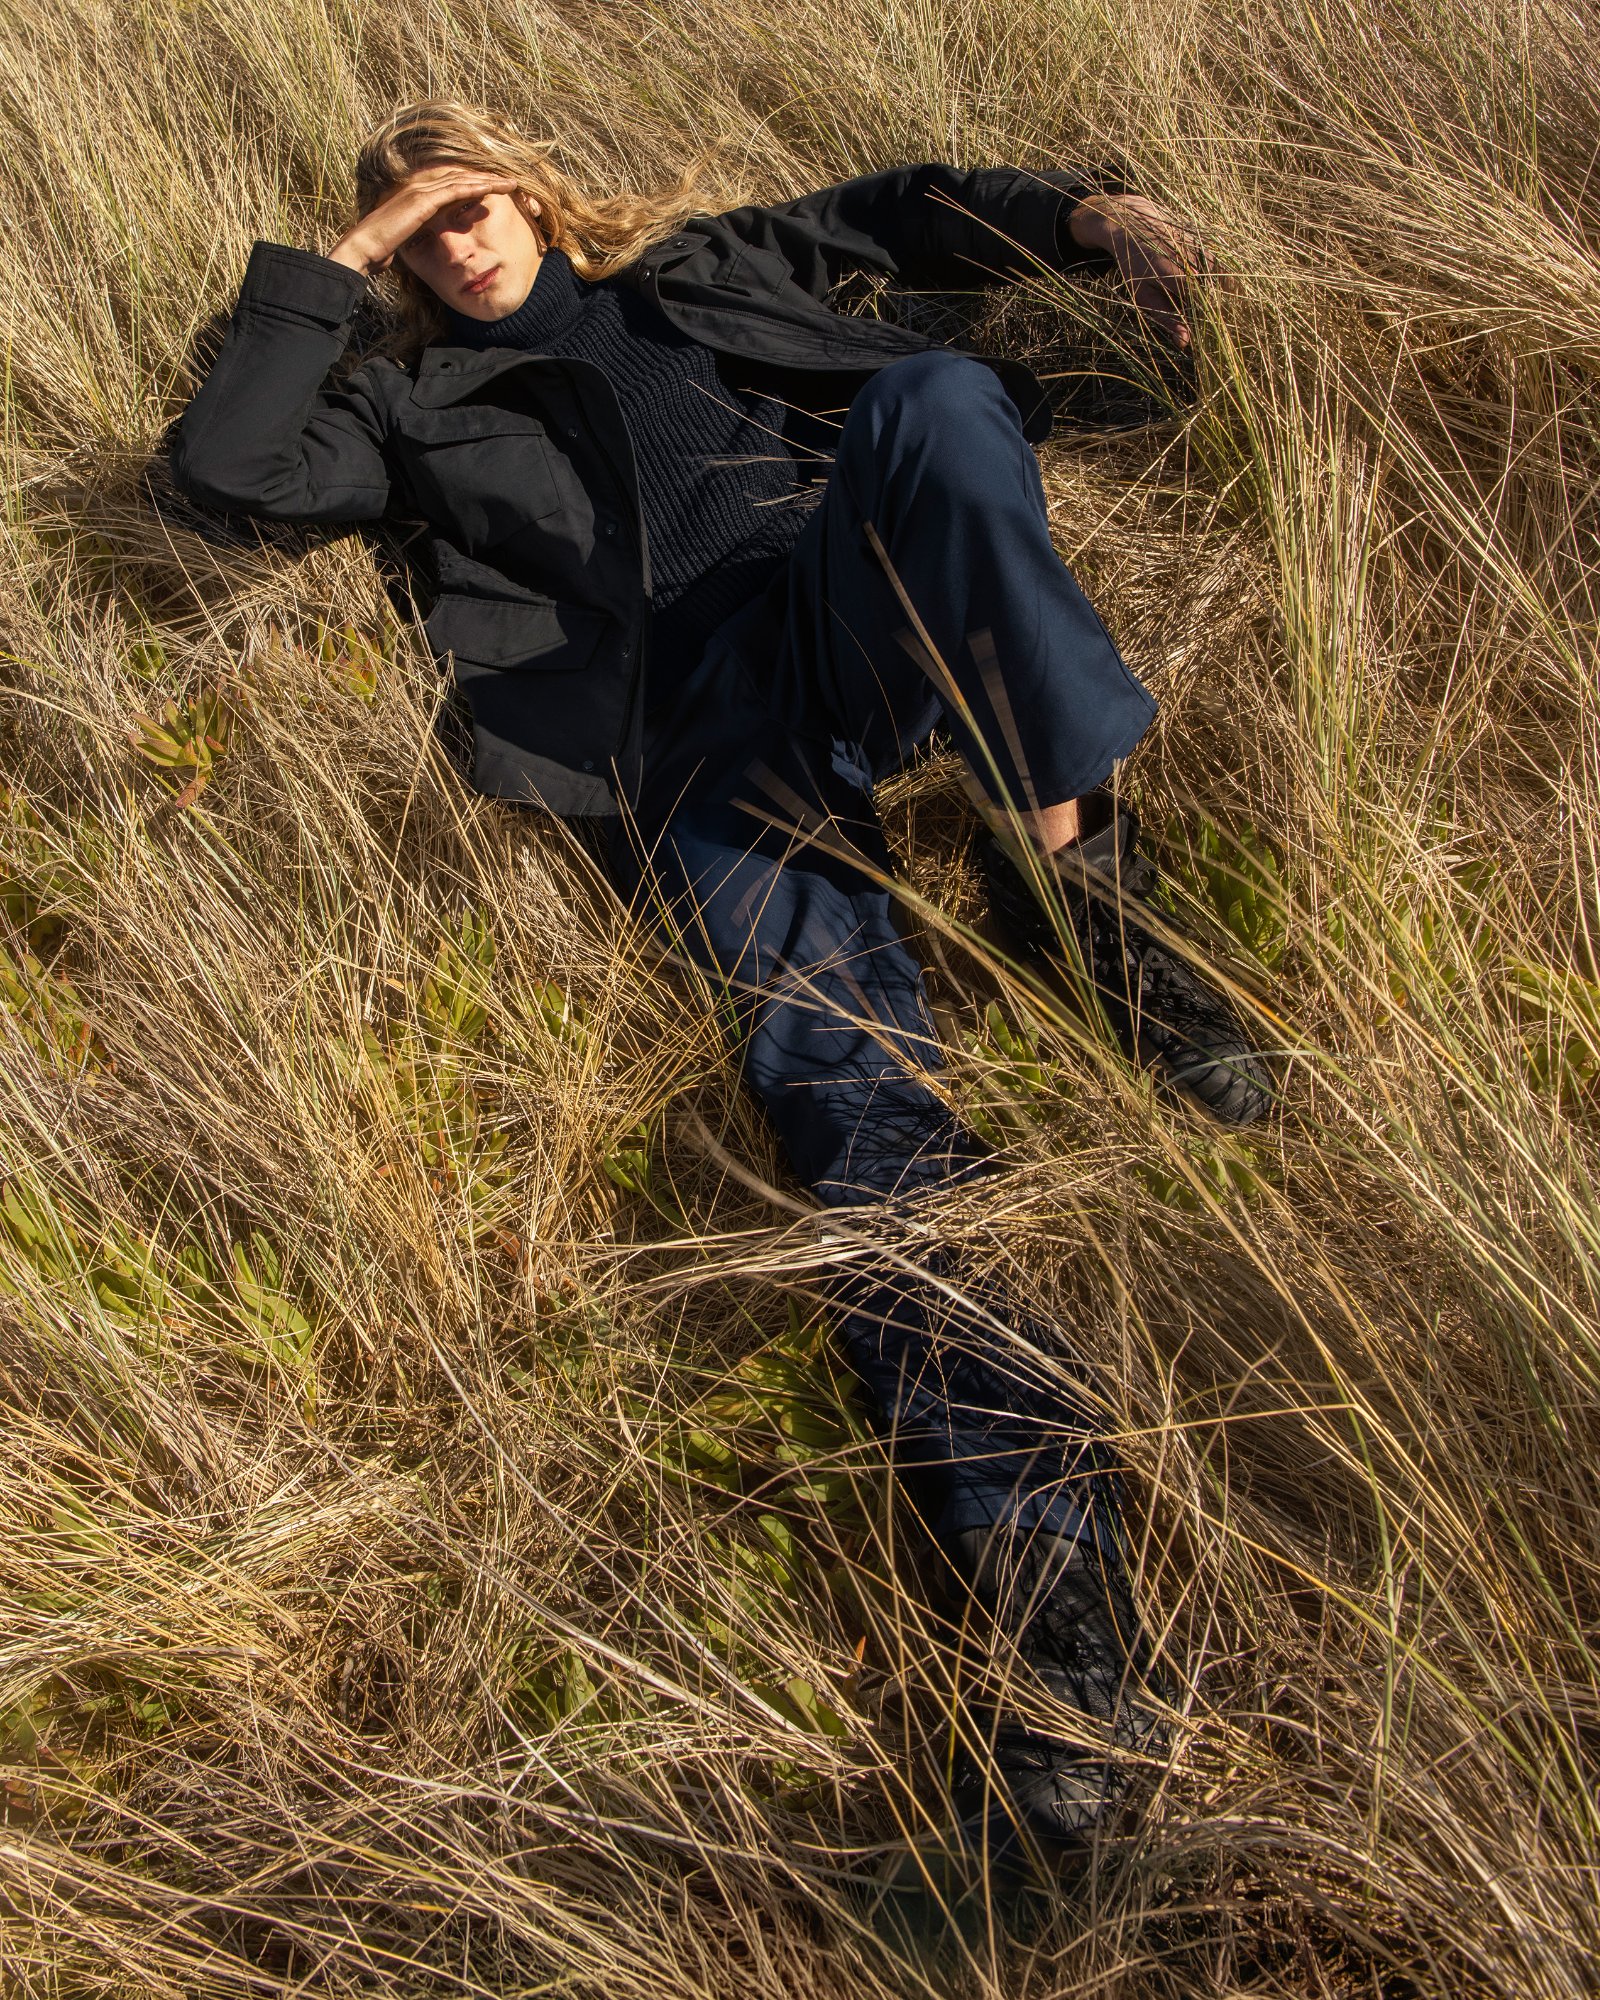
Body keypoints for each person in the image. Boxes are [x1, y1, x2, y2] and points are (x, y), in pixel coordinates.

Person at [171, 100, 1270, 1867]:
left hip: (847, 600)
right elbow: (218, 484)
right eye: (417, 226)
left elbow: (905, 211)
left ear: (533, 189)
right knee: (855, 1122)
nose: (459, 240)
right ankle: (1067, 1642)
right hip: (690, 736)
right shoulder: (401, 406)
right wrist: (338, 275)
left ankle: (1081, 899)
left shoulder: (703, 267)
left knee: (935, 401)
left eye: (473, 201)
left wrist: (1084, 217)